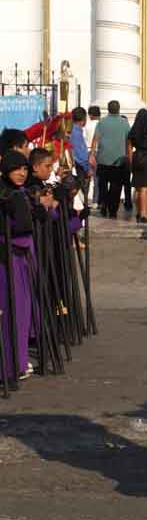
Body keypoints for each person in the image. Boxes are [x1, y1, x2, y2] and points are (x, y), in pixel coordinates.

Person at [0, 151, 37, 383]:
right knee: (8, 313)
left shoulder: (19, 193)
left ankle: (18, 363)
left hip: (21, 258)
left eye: (24, 169)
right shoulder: (5, 194)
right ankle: (7, 367)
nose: (22, 173)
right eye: (17, 169)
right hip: (6, 260)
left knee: (21, 312)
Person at [89, 101, 129, 219]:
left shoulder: (102, 122)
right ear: (119, 109)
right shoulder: (124, 123)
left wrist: (92, 154)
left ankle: (104, 205)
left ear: (108, 109)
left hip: (103, 159)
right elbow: (128, 140)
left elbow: (95, 139)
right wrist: (128, 155)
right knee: (116, 186)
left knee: (102, 184)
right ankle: (113, 210)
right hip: (119, 160)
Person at [69, 106, 91, 197]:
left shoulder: (72, 130)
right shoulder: (76, 132)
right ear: (83, 119)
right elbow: (80, 153)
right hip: (79, 166)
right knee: (81, 194)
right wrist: (87, 167)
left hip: (76, 165)